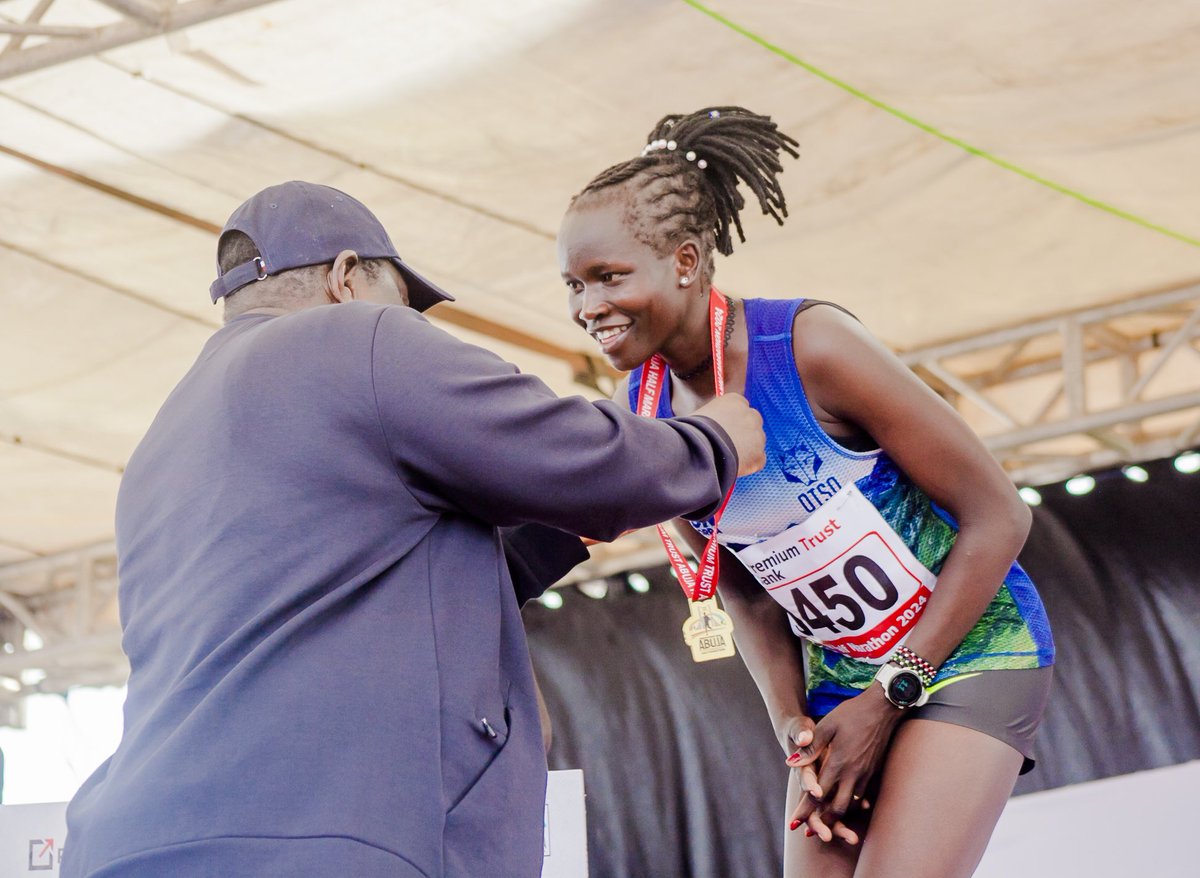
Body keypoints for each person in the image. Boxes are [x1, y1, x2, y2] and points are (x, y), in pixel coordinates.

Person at [61, 180, 767, 878]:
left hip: (128, 844)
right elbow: (580, 455)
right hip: (328, 838)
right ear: (345, 277)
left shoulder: (161, 446)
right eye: (404, 304)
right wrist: (712, 441)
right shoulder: (354, 337)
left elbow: (376, 571)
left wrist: (558, 529)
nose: (414, 328)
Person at [555, 108, 1055, 878]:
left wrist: (891, 694)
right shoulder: (644, 412)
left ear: (686, 260)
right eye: (574, 286)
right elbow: (744, 592)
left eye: (609, 277)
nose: (588, 306)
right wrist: (793, 722)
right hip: (842, 687)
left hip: (970, 653)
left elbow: (1000, 516)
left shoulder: (810, 346)